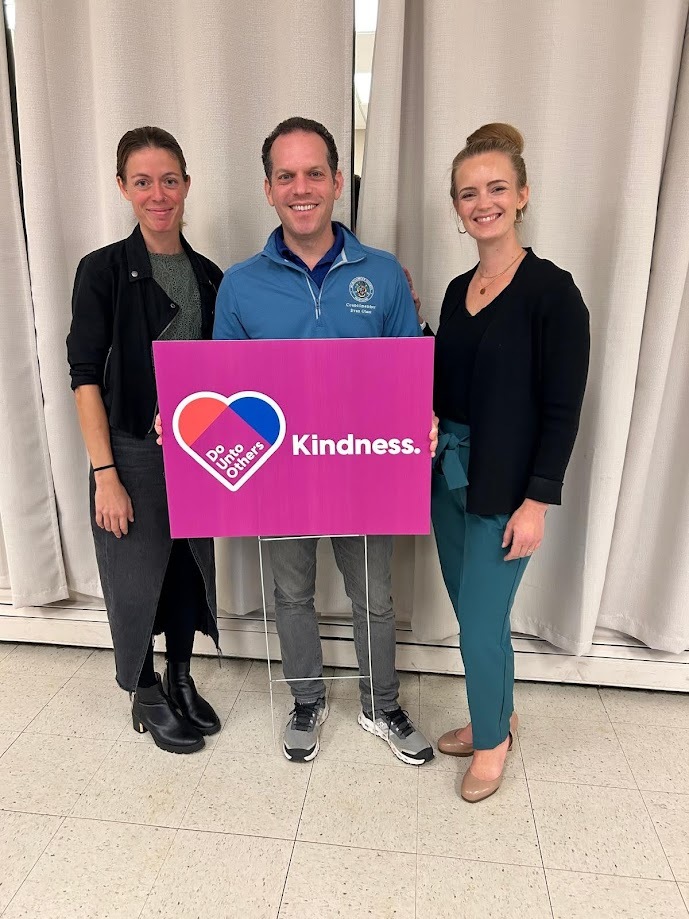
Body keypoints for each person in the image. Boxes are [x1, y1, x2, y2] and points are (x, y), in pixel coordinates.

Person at [213, 116, 435, 765]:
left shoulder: (384, 274)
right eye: (287, 175)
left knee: (376, 594)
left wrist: (419, 418)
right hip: (281, 470)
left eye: (314, 173)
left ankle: (380, 703)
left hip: (362, 467)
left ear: (338, 182)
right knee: (290, 592)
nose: (301, 187)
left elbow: (408, 370)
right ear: (268, 188)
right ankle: (306, 697)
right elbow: (225, 389)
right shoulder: (240, 283)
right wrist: (190, 422)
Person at [425, 123, 589, 801]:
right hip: (447, 478)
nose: (481, 201)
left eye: (495, 188)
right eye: (468, 192)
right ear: (457, 207)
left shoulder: (552, 292)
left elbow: (561, 408)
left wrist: (536, 502)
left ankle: (491, 742)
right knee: (474, 620)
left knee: (482, 626)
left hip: (505, 486)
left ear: (521, 195)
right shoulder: (455, 289)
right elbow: (440, 386)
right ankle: (500, 711)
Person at [67, 127, 223, 754]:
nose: (158, 195)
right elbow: (83, 376)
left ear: (186, 186)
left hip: (200, 451)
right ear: (123, 189)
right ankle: (145, 688)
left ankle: (182, 677)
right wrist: (106, 473)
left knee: (188, 570)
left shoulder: (210, 276)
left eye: (169, 181)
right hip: (129, 452)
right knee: (136, 579)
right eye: (143, 182)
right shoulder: (102, 270)